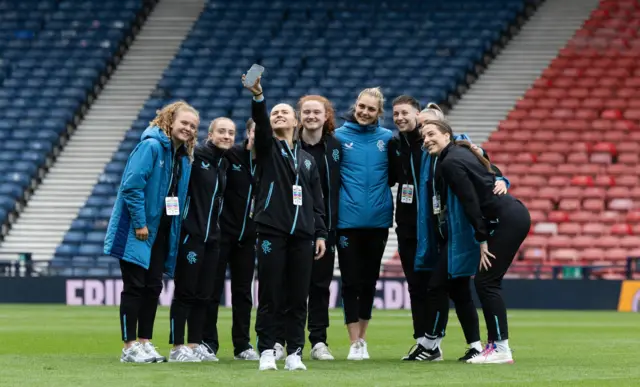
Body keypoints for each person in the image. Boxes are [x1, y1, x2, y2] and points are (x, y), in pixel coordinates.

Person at [419, 119, 530, 365]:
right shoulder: (462, 151)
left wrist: (481, 239)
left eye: (431, 134)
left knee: (487, 282)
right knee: (485, 281)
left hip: (505, 219)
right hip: (512, 215)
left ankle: (501, 349)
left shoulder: (449, 162)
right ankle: (494, 346)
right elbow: (489, 174)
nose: (426, 140)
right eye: (423, 137)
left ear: (447, 134)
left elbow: (470, 201)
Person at [242, 74, 327, 371]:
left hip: (303, 235)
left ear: (296, 123)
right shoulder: (267, 149)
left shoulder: (306, 160)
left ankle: (295, 352)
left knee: (297, 296)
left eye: (284, 112)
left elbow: (317, 202)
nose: (278, 115)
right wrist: (259, 98)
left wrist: (320, 233)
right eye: (274, 112)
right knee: (270, 293)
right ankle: (266, 349)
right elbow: (262, 126)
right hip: (271, 231)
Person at [103, 101, 196, 363]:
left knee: (153, 287)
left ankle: (144, 342)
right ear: (169, 120)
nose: (188, 129)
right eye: (184, 123)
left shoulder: (182, 157)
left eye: (192, 126)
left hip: (162, 232)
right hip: (138, 230)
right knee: (135, 287)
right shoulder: (151, 146)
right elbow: (131, 186)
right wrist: (140, 223)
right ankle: (128, 346)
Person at [334, 87, 394, 360]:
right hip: (347, 221)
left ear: (378, 112)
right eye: (362, 106)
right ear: (355, 105)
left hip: (379, 222)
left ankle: (363, 340)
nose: (365, 112)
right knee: (350, 282)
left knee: (369, 282)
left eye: (371, 109)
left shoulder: (387, 138)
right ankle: (352, 342)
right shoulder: (337, 137)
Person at [167, 117, 233, 362]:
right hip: (191, 236)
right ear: (210, 134)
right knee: (185, 293)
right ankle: (176, 347)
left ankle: (194, 346)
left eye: (230, 133)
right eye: (222, 132)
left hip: (212, 239)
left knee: (204, 295)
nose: (226, 136)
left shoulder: (223, 164)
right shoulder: (196, 158)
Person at [203, 118, 260, 361]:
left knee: (243, 293)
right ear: (248, 133)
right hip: (221, 235)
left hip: (248, 238)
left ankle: (242, 345)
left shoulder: (271, 160)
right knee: (211, 290)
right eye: (256, 131)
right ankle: (208, 343)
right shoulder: (231, 155)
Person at [298, 95, 342, 361]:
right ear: (300, 115)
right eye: (307, 112)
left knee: (320, 287)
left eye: (317, 112)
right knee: (290, 288)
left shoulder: (335, 148)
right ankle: (283, 340)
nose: (312, 116)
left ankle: (318, 341)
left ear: (326, 117)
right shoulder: (288, 145)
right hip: (294, 228)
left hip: (325, 230)